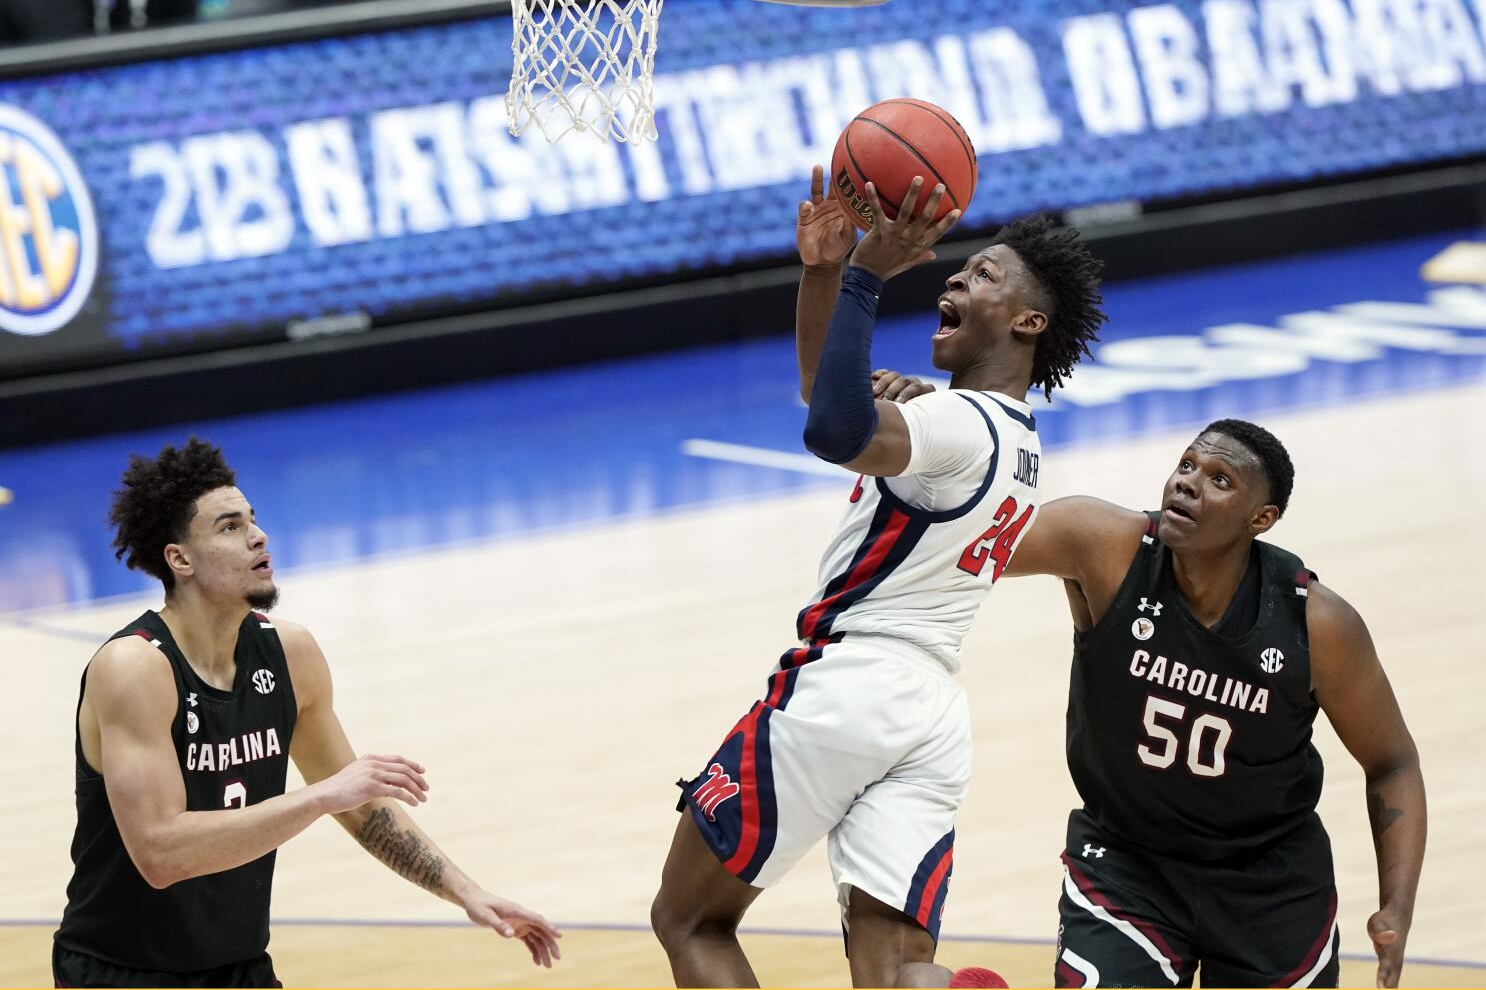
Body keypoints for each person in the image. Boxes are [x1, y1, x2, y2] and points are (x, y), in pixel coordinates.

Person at [649, 168, 1106, 987]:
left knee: (689, 917)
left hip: (848, 689)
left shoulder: (954, 423)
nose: (960, 276)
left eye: (987, 274)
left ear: (1029, 321)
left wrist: (862, 276)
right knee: (897, 968)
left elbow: (832, 428)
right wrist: (823, 273)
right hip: (931, 716)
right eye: (962, 269)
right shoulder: (1017, 441)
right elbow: (827, 395)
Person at [880, 415, 1426, 988]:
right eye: (1187, 464)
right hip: (1125, 862)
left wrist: (1397, 903)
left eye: (1220, 480)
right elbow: (957, 545)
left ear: (1260, 519)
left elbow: (1392, 763)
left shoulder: (1316, 622)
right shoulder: (1104, 545)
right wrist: (927, 434)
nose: (1187, 482)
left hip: (1271, 881)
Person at [53, 438, 561, 987]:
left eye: (253, 519)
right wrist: (319, 796)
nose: (258, 535)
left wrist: (467, 891)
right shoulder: (134, 668)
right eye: (229, 527)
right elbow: (160, 854)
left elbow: (363, 810)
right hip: (121, 973)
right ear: (180, 559)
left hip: (239, 967)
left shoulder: (290, 653)